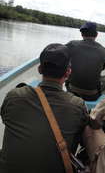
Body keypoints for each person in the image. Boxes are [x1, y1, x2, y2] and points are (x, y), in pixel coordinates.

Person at [0, 43, 89, 173]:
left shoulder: (14, 95)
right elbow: (82, 139)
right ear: (68, 72)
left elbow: (5, 118)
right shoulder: (78, 105)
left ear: (40, 69)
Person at [66, 22, 105, 101]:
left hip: (71, 91)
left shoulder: (71, 44)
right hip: (92, 95)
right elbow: (102, 68)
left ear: (82, 34)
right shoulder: (104, 51)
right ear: (96, 35)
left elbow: (60, 56)